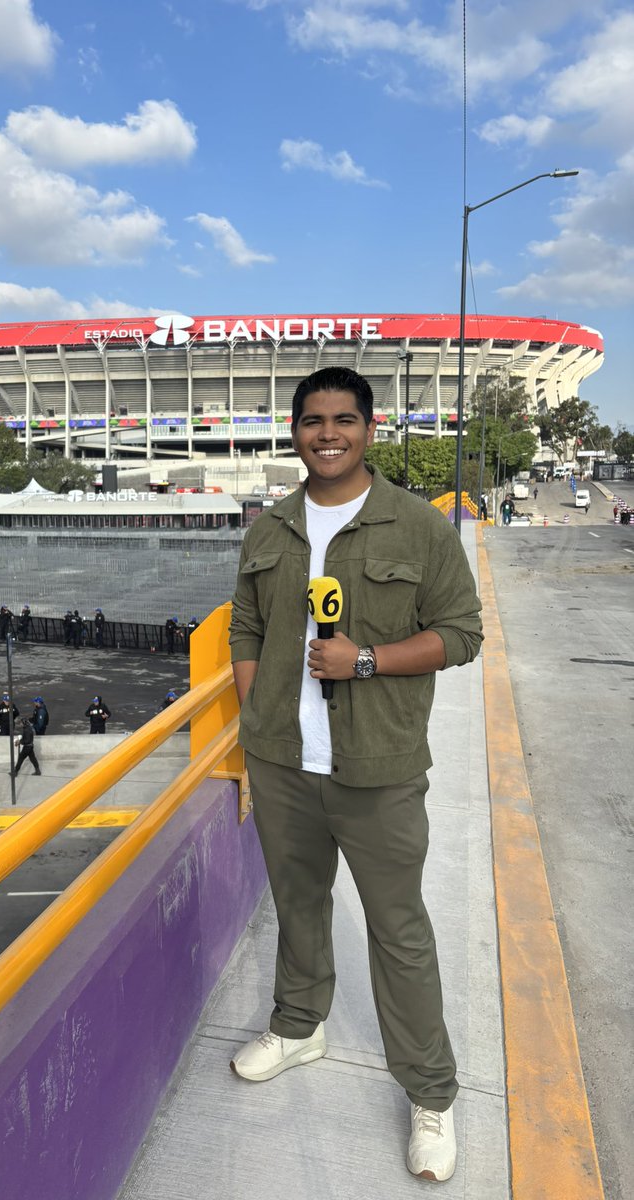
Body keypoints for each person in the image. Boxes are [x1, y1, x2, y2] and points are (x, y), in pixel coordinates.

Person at [227, 366, 483, 1184]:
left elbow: (462, 632)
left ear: (370, 430)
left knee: (398, 930)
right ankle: (299, 1025)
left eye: (344, 419)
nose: (327, 434)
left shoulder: (418, 526)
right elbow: (245, 626)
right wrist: (257, 717)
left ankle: (431, 1094)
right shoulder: (270, 528)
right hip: (283, 763)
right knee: (297, 904)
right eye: (313, 420)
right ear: (295, 431)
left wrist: (364, 660)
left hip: (378, 768)